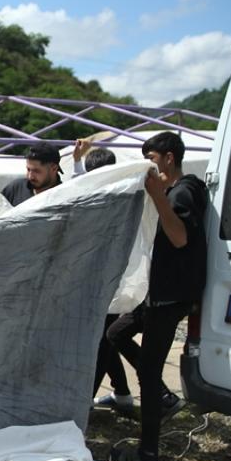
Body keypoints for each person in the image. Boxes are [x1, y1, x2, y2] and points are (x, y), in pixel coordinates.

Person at [106, 132, 208, 461]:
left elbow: (179, 238)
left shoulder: (185, 190)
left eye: (151, 159)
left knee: (148, 373)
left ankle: (148, 453)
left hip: (170, 296)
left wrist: (157, 196)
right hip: (155, 293)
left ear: (167, 157)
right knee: (116, 333)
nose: (150, 168)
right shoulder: (170, 192)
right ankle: (164, 397)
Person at [72, 140, 135, 414]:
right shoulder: (118, 191)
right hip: (104, 281)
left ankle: (85, 400)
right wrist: (76, 161)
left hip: (108, 283)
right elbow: (79, 186)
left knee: (102, 340)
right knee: (105, 338)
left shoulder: (115, 196)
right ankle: (121, 394)